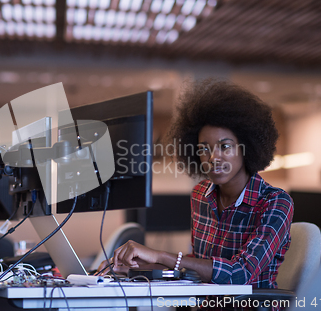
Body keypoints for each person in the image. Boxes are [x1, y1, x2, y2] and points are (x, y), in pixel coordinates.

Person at [98, 79, 294, 290]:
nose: (213, 158)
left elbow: (240, 273)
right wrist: (137, 268)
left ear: (246, 147)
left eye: (224, 146)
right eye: (204, 149)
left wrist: (160, 255)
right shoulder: (201, 195)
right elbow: (196, 262)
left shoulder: (275, 203)